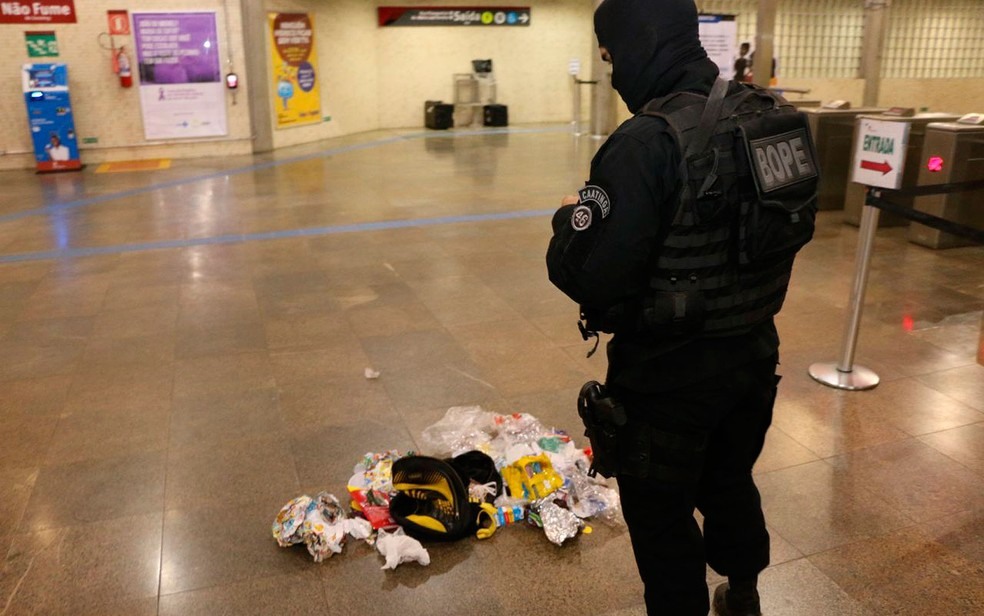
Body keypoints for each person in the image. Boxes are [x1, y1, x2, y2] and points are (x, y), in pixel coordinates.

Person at [546, 1, 817, 614]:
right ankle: (743, 593)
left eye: (610, 56)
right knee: (728, 479)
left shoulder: (645, 142)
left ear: (636, 45)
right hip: (753, 354)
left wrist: (570, 218)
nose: (611, 73)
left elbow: (591, 277)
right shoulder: (773, 118)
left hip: (667, 377)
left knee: (660, 513)